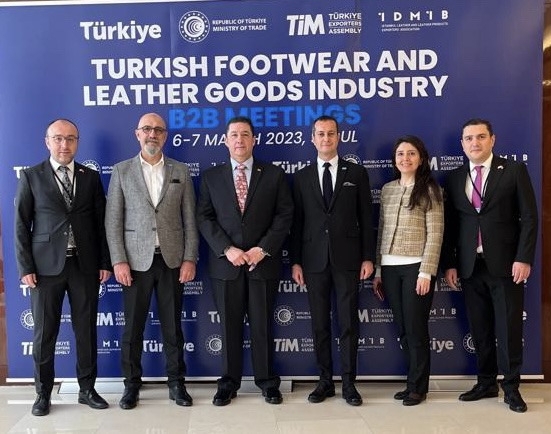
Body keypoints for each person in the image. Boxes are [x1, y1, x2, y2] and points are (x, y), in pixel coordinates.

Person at [14, 118, 112, 416]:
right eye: (58, 139)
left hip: (85, 266)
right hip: (45, 269)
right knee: (45, 334)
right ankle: (43, 394)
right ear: (47, 141)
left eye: (70, 139)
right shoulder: (32, 176)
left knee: (86, 331)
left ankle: (87, 389)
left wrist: (105, 262)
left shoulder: (91, 176)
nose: (64, 144)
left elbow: (101, 224)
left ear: (77, 142)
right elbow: (21, 224)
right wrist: (25, 267)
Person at [441, 118, 538, 413]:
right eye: (469, 138)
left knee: (508, 329)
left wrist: (523, 258)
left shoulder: (513, 171)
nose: (475, 143)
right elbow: (452, 225)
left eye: (480, 137)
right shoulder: (455, 177)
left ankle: (511, 387)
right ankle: (485, 383)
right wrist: (450, 264)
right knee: (480, 328)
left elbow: (529, 218)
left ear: (492, 139)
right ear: (462, 144)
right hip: (471, 267)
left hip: (507, 266)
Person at [196, 116, 293, 406]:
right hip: (226, 266)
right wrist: (227, 249)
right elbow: (204, 216)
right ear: (225, 140)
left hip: (262, 264)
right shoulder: (211, 177)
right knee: (229, 326)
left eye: (245, 135)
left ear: (254, 140)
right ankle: (228, 384)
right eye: (234, 135)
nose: (240, 140)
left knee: (263, 325)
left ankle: (267, 382)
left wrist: (261, 249)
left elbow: (284, 215)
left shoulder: (274, 175)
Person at [105, 113, 198, 409]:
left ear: (165, 136)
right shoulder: (121, 171)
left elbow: (190, 220)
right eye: (147, 129)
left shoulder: (180, 171)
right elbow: (113, 221)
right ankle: (131, 385)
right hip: (134, 263)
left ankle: (176, 384)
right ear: (137, 134)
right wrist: (118, 261)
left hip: (172, 260)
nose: (152, 134)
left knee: (173, 327)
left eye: (158, 130)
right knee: (132, 329)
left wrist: (189, 258)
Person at [290, 115, 375, 406]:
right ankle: (325, 382)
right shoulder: (301, 177)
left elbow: (367, 218)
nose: (326, 139)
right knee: (319, 325)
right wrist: (296, 261)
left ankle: (349, 384)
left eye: (331, 134)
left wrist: (368, 256)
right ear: (312, 138)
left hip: (349, 260)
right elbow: (297, 223)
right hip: (313, 262)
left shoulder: (357, 173)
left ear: (339, 137)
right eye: (320, 134)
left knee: (349, 323)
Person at [372, 135, 444, 406]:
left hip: (416, 267)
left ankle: (418, 387)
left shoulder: (431, 190)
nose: (405, 158)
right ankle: (410, 382)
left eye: (411, 153)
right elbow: (381, 232)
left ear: (421, 158)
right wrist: (379, 269)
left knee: (415, 329)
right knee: (403, 329)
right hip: (390, 269)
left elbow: (436, 234)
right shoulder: (388, 189)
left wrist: (426, 272)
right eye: (400, 153)